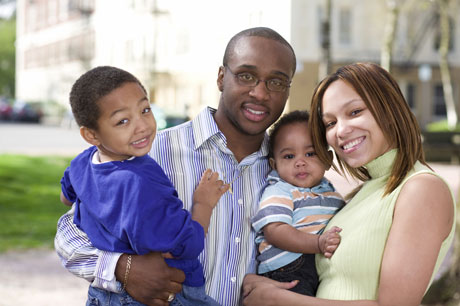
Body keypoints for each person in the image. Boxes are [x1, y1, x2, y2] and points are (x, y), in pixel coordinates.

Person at [54, 27, 297, 306]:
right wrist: (124, 268)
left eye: (277, 82)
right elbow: (68, 237)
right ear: (221, 77)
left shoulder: (287, 172)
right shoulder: (147, 152)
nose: (260, 93)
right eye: (246, 76)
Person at [242, 62, 456, 306]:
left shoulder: (421, 188)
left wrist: (278, 299)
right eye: (330, 123)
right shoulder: (358, 195)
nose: (341, 130)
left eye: (354, 112)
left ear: (389, 109)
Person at [59, 66, 229, 306]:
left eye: (145, 110)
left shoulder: (81, 163)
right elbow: (187, 245)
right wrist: (203, 204)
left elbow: (66, 197)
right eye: (123, 121)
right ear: (92, 135)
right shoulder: (141, 182)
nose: (142, 126)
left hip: (103, 296)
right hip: (168, 292)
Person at [251, 110, 344, 296]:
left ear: (327, 159)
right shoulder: (280, 190)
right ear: (274, 164)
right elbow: (275, 231)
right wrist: (318, 243)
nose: (300, 162)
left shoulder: (332, 194)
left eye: (310, 153)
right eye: (289, 156)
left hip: (318, 269)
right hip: (287, 271)